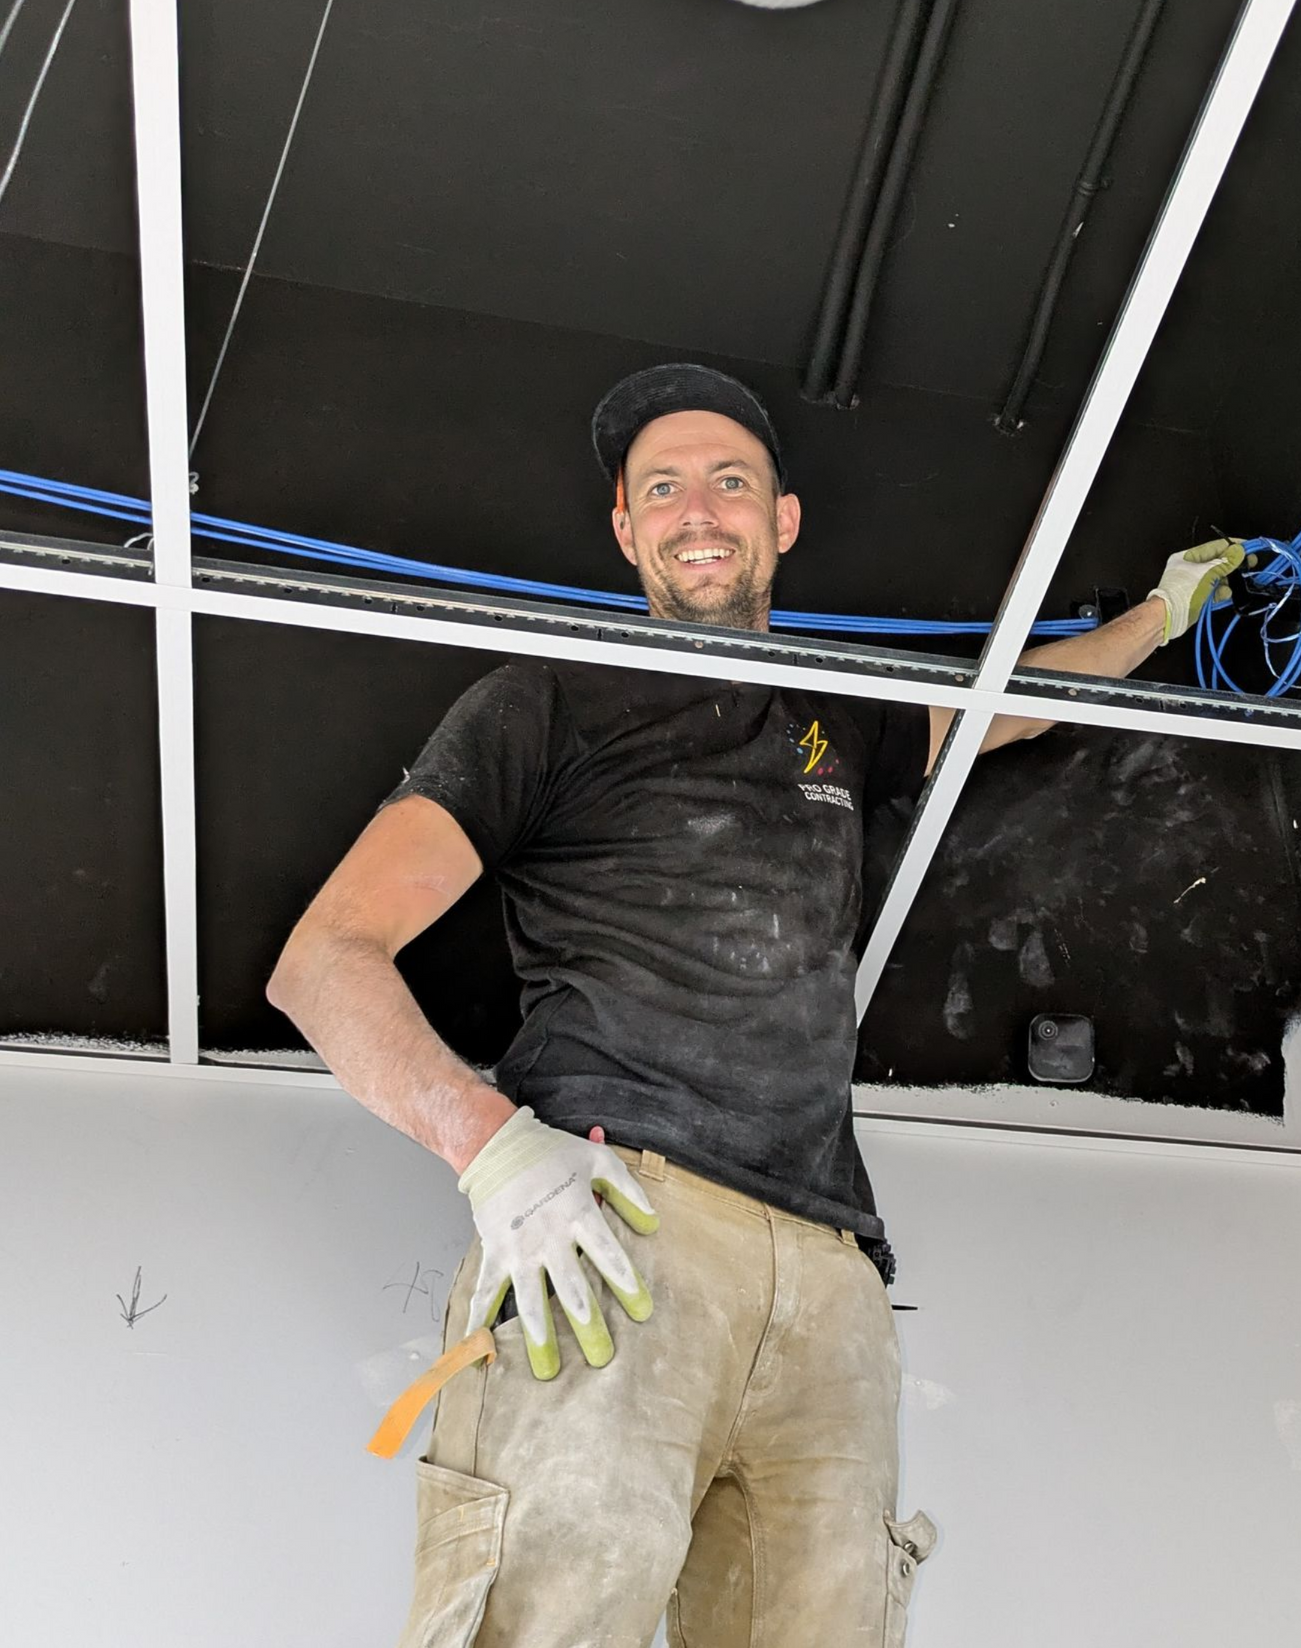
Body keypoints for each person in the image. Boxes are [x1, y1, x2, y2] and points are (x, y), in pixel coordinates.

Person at [267, 362, 1245, 1647]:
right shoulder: (545, 704)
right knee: (553, 1616)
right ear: (626, 530)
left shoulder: (836, 712)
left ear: (782, 520)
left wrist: (1161, 617)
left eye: (730, 482)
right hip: (619, 1235)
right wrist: (491, 1151)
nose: (697, 510)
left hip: (834, 1281)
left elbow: (1007, 710)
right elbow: (324, 960)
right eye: (662, 488)